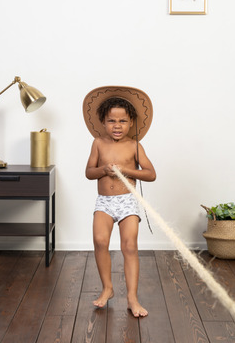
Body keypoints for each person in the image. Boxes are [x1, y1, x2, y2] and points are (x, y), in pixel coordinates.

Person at [83, 86, 156, 317]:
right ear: (103, 122)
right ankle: (107, 288)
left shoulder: (134, 145)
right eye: (111, 120)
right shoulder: (97, 143)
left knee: (129, 246)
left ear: (131, 122)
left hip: (127, 201)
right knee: (100, 240)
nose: (117, 125)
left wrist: (126, 170)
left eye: (122, 121)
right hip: (104, 201)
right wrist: (103, 169)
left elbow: (151, 174)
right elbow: (88, 172)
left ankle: (132, 298)